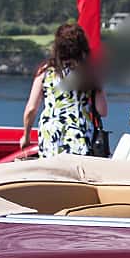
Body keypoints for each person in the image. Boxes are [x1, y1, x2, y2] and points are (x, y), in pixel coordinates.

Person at [23, 23, 102, 160]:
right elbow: (102, 110)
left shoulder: (46, 73)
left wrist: (26, 136)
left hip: (51, 133)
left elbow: (31, 109)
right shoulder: (88, 74)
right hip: (79, 133)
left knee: (50, 175)